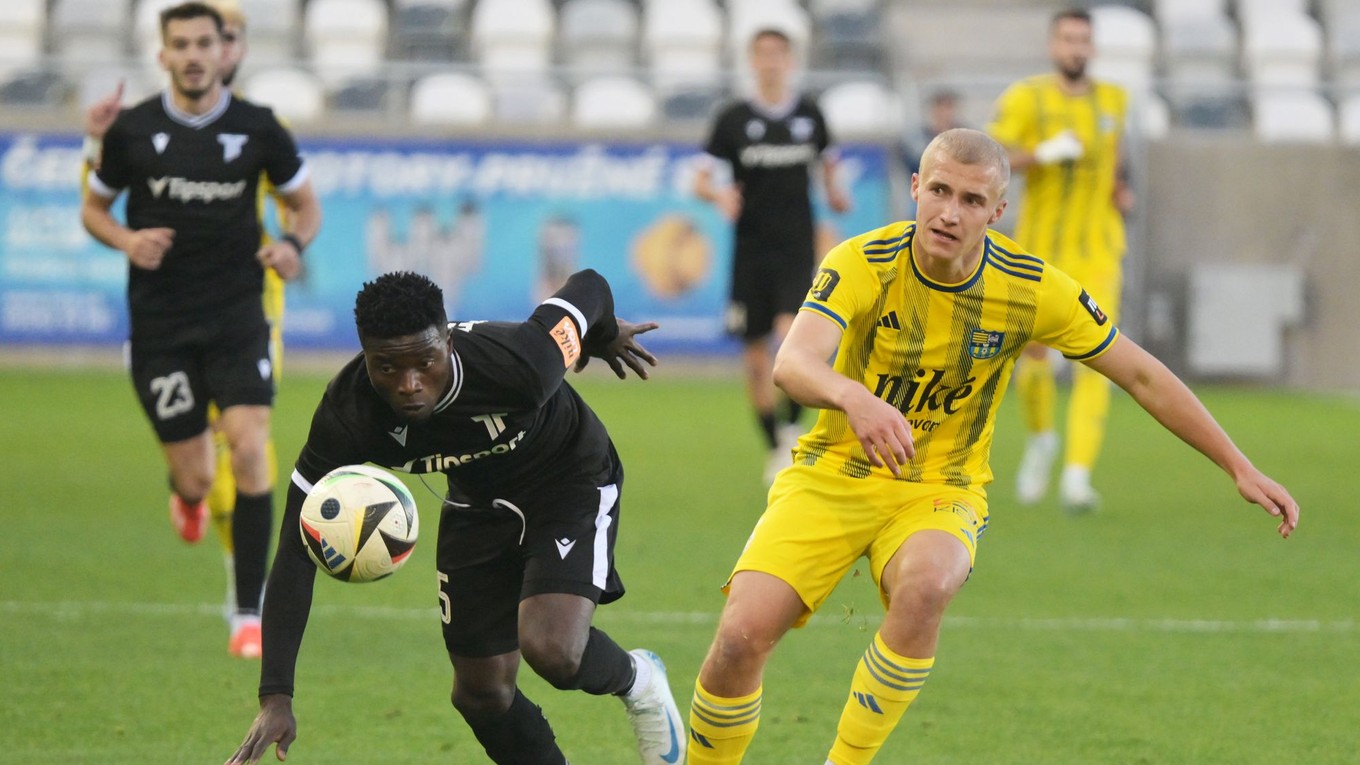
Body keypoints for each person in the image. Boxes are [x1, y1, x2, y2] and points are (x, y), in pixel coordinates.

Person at [682, 128, 1298, 765]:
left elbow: (1141, 373)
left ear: (997, 211)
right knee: (739, 639)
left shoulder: (1030, 288)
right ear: (916, 188)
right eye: (940, 191)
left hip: (940, 488)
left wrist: (1238, 466)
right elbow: (793, 364)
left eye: (972, 200)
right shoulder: (861, 260)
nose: (950, 212)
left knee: (929, 584)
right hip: (832, 474)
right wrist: (855, 398)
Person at [225, 269, 686, 765]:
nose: (409, 385)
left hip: (567, 478)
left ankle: (641, 681)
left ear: (446, 340)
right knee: (481, 693)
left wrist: (604, 333)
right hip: (476, 501)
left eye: (425, 361)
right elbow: (298, 546)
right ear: (364, 356)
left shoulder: (522, 361)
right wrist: (276, 696)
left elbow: (590, 286)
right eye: (386, 368)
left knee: (553, 649)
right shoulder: (348, 413)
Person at [79, 1, 322, 658]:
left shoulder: (259, 127)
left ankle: (249, 609)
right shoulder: (133, 130)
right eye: (179, 44)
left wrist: (293, 245)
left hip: (238, 314)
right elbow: (94, 209)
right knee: (195, 475)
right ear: (163, 56)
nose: (192, 54)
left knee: (250, 447)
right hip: (161, 323)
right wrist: (127, 239)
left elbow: (304, 202)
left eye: (203, 43)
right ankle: (184, 495)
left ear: (224, 52)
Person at [987, 8, 1137, 512]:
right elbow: (996, 154)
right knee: (1031, 357)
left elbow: (1115, 160)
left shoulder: (1113, 100)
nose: (1076, 48)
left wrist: (1121, 190)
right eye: (1068, 39)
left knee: (1099, 358)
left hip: (1098, 252)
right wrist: (1042, 153)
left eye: (1084, 40)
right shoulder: (1027, 97)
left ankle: (1077, 476)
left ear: (1092, 47)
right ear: (1054, 46)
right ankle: (1041, 438)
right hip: (1040, 252)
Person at [694, 27, 851, 484]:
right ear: (751, 60)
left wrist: (835, 194)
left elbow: (829, 163)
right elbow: (700, 179)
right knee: (757, 359)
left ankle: (789, 430)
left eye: (778, 54)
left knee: (791, 338)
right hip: (750, 252)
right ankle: (774, 443)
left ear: (790, 60)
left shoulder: (809, 115)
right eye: (762, 54)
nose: (771, 62)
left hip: (796, 248)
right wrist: (719, 195)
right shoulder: (733, 118)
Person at [901, 89, 967, 176]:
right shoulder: (918, 138)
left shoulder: (965, 136)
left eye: (948, 107)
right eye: (941, 108)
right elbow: (916, 163)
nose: (945, 113)